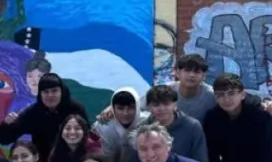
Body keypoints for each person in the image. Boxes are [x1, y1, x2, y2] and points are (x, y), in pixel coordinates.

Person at [98, 54, 272, 123]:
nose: (191, 75)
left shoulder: (211, 94)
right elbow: (135, 105)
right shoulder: (164, 92)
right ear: (177, 72)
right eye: (187, 70)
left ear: (203, 75)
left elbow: (239, 96)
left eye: (197, 71)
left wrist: (263, 105)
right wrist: (112, 109)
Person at [0, 73, 88, 162]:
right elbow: (4, 139)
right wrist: (6, 124)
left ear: (62, 91)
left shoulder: (75, 109)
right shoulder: (33, 112)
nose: (50, 95)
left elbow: (88, 136)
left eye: (54, 91)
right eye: (46, 92)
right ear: (40, 94)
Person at [127, 84, 208, 162]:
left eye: (166, 104)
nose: (161, 109)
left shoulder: (192, 126)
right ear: (149, 107)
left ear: (175, 104)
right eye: (156, 105)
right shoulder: (141, 128)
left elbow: (201, 161)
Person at [92, 87, 147, 162]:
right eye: (120, 108)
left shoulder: (146, 122)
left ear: (137, 107)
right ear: (113, 108)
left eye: (131, 107)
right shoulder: (104, 126)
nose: (125, 113)